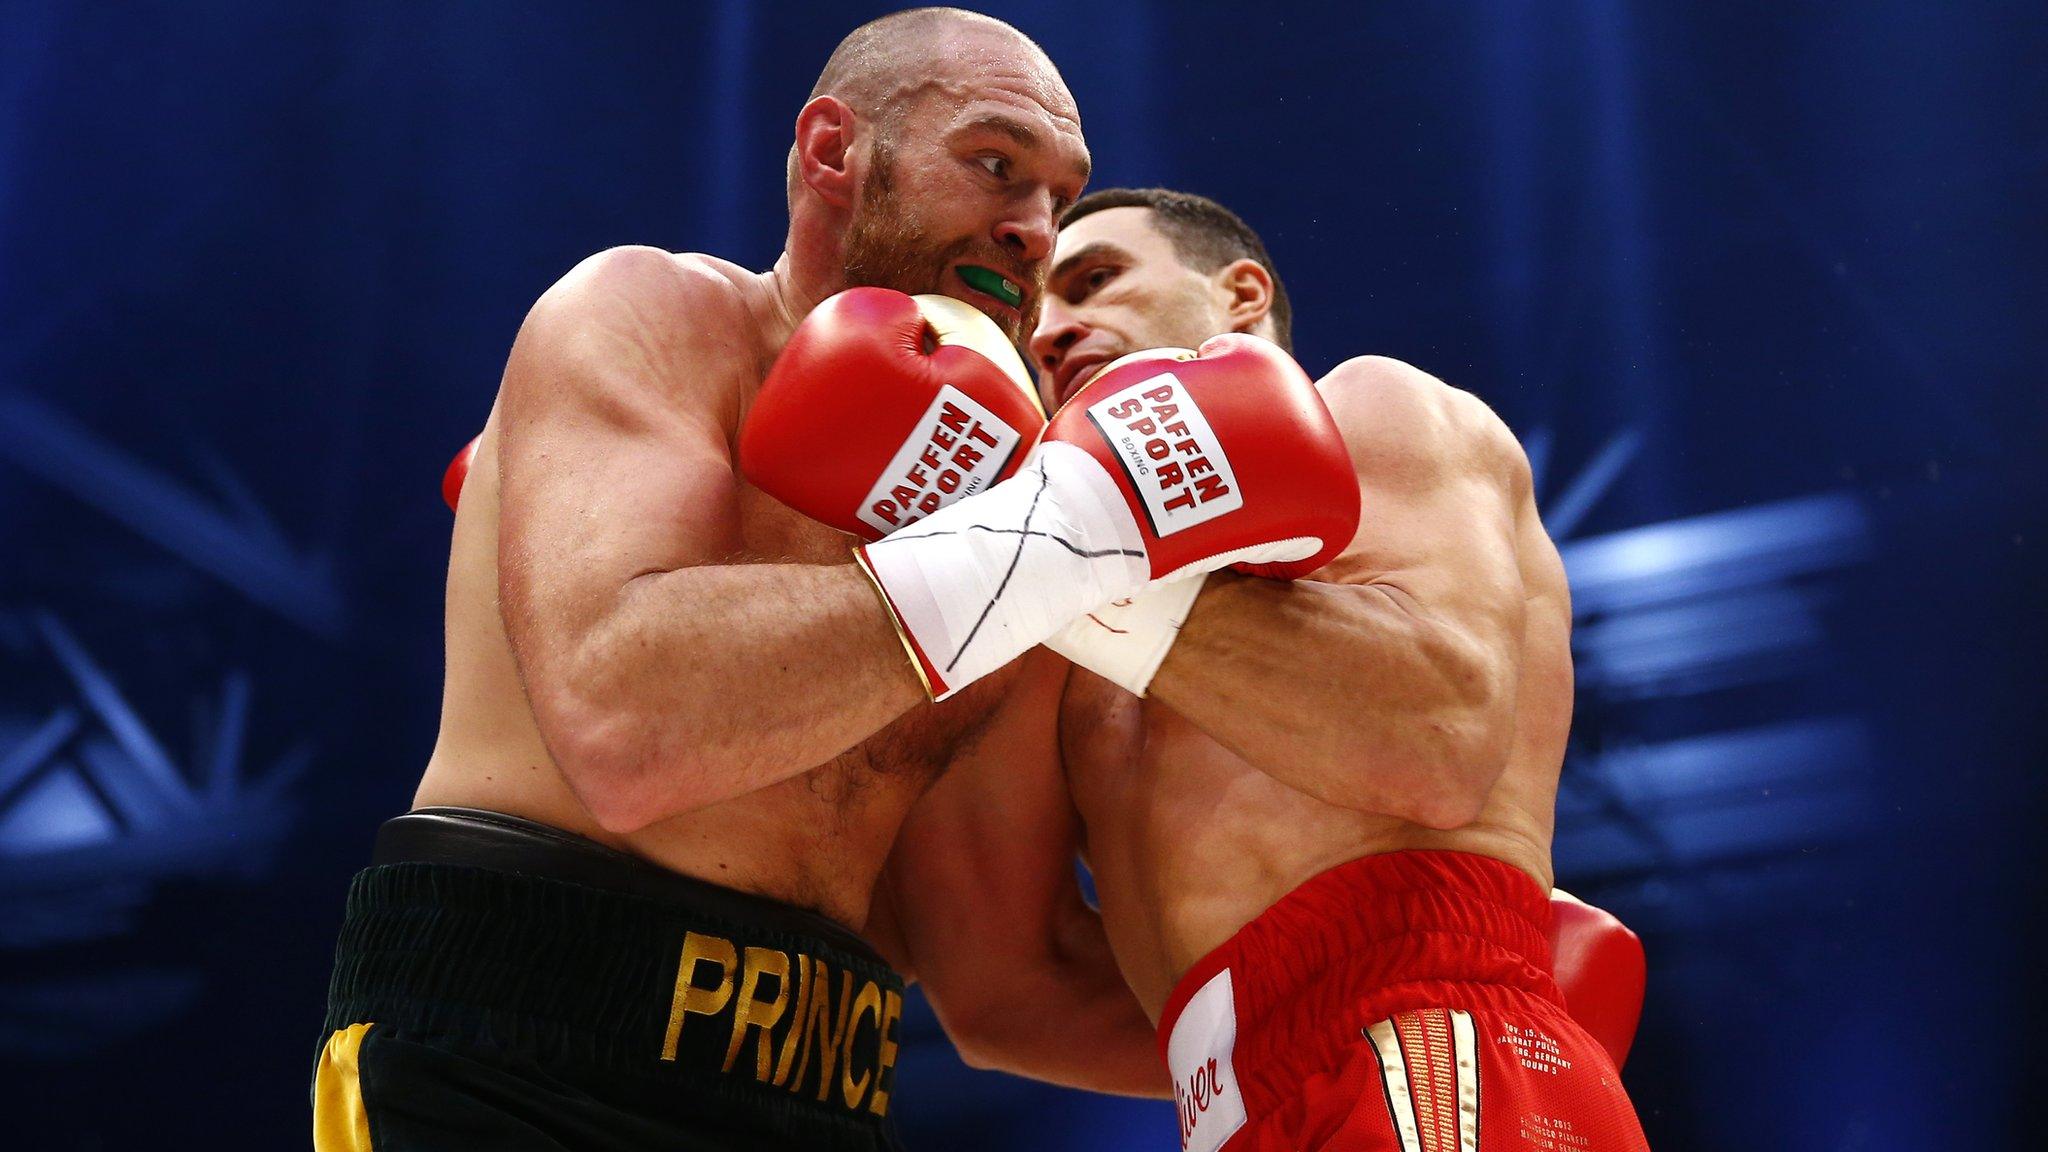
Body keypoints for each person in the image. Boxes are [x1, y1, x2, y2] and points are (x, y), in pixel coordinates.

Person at [312, 9, 1369, 1149]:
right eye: (995, 165)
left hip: (823, 1073)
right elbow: (629, 733)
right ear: (831, 153)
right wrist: (1067, 527)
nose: (1034, 233)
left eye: (1057, 198)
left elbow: (1010, 980)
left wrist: (1356, 1020)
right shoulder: (650, 316)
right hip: (514, 1042)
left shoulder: (1011, 498)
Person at [885, 188, 1652, 1151]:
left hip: (1424, 1047)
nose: (1055, 331)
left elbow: (1435, 742)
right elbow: (1004, 998)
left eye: (1095, 280)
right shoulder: (1056, 630)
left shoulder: (1369, 411)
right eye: (1033, 318)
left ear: (1242, 294)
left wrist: (1032, 570)